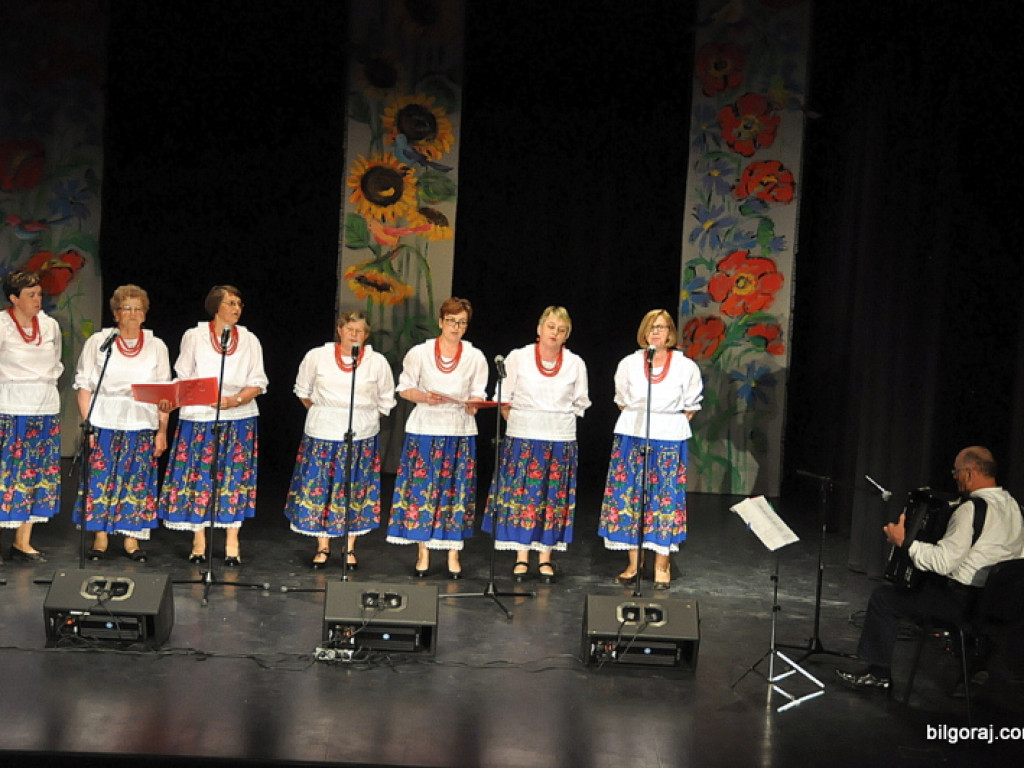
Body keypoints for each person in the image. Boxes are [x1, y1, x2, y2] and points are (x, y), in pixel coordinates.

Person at [835, 446, 1024, 691]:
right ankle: (976, 665)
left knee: (884, 599)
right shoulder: (1014, 508)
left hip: (961, 605)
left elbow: (943, 563)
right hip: (998, 605)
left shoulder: (970, 510)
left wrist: (905, 543)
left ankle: (878, 674)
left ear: (970, 473)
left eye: (956, 471)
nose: (954, 477)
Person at [158, 285, 267, 566]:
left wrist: (235, 400)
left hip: (238, 417)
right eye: (230, 303)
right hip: (200, 416)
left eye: (239, 303)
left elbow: (258, 381)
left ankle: (232, 541)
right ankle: (199, 540)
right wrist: (176, 400)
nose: (236, 308)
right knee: (199, 476)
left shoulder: (250, 339)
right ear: (216, 307)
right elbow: (184, 376)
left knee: (233, 477)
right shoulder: (194, 336)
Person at [482, 306, 590, 584]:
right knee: (524, 496)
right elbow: (503, 397)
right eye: (551, 327)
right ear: (539, 329)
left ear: (567, 335)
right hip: (524, 437)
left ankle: (545, 557)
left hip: (559, 439)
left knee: (551, 498)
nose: (555, 333)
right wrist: (518, 423)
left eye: (561, 330)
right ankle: (521, 555)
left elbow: (581, 401)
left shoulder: (575, 363)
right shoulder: (518, 357)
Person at [597, 309, 703, 589]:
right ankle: (635, 564)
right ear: (644, 332)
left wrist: (665, 425)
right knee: (630, 498)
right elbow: (622, 401)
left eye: (662, 327)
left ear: (670, 333)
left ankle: (662, 565)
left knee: (664, 499)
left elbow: (691, 407)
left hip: (669, 438)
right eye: (652, 327)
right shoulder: (629, 363)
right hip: (632, 436)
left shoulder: (686, 366)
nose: (657, 332)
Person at [284, 311, 395, 569]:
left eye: (360, 331)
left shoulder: (377, 362)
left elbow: (386, 400)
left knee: (354, 489)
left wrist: (362, 418)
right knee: (321, 488)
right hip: (323, 433)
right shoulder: (317, 356)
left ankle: (349, 547)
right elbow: (303, 391)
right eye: (350, 329)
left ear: (366, 335)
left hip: (361, 435)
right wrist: (326, 414)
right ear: (340, 330)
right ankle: (323, 546)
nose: (354, 335)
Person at [387, 297, 488, 579]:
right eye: (452, 321)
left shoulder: (475, 356)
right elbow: (405, 388)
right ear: (441, 321)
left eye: (462, 323)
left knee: (455, 491)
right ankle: (423, 551)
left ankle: (453, 552)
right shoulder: (420, 353)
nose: (456, 327)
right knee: (423, 490)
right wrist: (424, 397)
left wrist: (474, 404)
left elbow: (478, 393)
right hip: (425, 429)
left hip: (458, 431)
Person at [73, 285, 171, 562]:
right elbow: (84, 387)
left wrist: (162, 431)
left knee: (136, 481)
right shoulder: (99, 342)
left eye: (138, 308)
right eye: (127, 308)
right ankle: (100, 538)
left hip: (141, 422)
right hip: (104, 419)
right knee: (100, 480)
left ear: (145, 315)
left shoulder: (156, 346)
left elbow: (165, 393)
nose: (133, 313)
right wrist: (88, 425)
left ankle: (131, 539)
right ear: (116, 313)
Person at [0, 269, 63, 563]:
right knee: (6, 474)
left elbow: (56, 363)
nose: (38, 299)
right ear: (14, 298)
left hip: (44, 408)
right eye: (30, 295)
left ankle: (22, 542)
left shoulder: (49, 326)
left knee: (35, 473)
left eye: (39, 294)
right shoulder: (2, 325)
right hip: (10, 408)